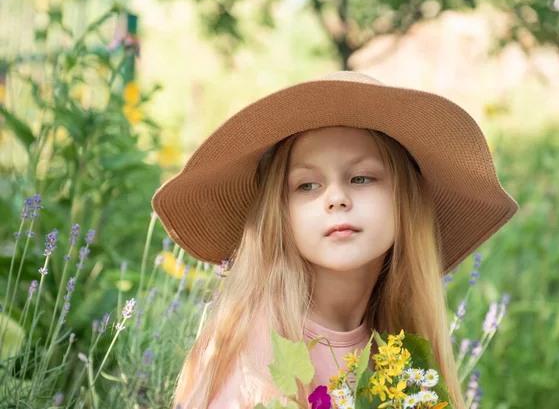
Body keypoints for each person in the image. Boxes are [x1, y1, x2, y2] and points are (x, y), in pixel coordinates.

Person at [151, 71, 519, 409]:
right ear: (281, 214)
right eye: (307, 185)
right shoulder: (256, 346)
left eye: (361, 178)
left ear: (405, 199)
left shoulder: (398, 351)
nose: (336, 197)